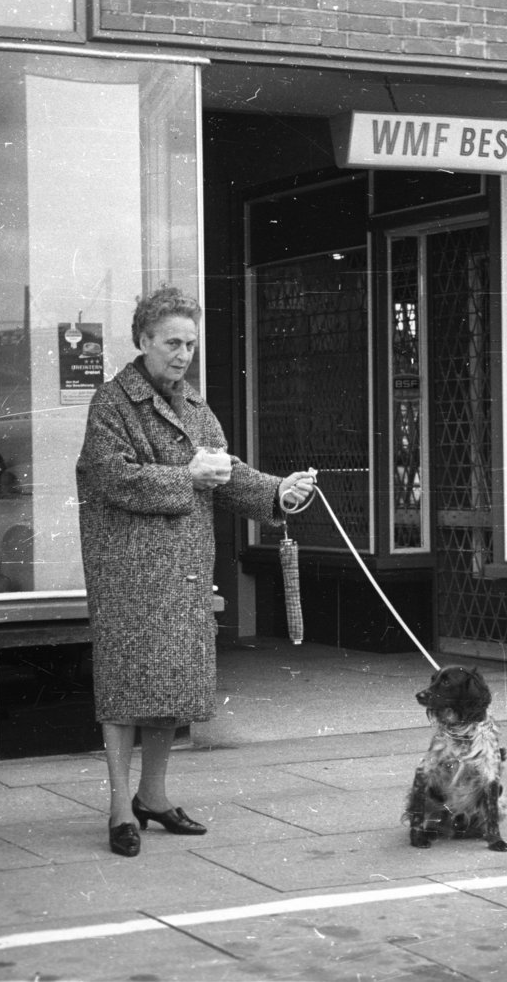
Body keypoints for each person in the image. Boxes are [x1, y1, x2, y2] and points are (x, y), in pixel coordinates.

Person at [75, 286, 316, 858]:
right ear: (143, 341)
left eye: (190, 345)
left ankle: (153, 797)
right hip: (127, 573)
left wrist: (278, 492)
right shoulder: (111, 404)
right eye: (172, 343)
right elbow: (113, 477)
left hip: (181, 571)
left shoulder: (195, 405)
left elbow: (225, 474)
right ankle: (117, 809)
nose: (183, 355)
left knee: (170, 689)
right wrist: (188, 477)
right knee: (125, 692)